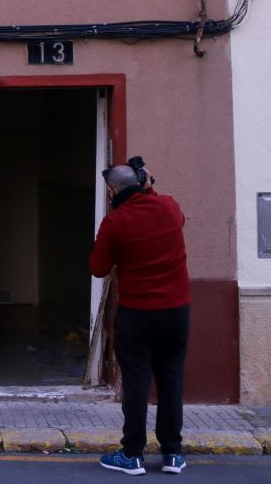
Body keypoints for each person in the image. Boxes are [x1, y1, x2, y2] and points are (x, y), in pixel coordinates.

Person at [90, 160, 191, 476]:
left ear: (111, 191)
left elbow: (97, 268)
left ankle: (132, 454)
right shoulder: (169, 207)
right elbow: (175, 216)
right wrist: (150, 185)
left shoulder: (115, 222)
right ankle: (173, 454)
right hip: (176, 311)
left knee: (137, 384)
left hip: (137, 314)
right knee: (171, 377)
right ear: (145, 181)